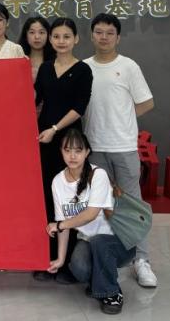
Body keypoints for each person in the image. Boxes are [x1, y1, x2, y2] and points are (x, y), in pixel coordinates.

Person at [84, 13, 156, 289]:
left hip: (123, 147)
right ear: (91, 35)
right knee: (100, 205)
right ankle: (106, 257)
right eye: (99, 32)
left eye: (109, 33)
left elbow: (146, 102)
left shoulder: (128, 66)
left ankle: (141, 260)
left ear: (118, 37)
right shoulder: (84, 67)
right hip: (94, 147)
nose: (103, 37)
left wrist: (123, 117)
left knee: (132, 205)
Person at [46, 127, 134, 315]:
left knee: (99, 241)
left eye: (78, 150)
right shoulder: (57, 182)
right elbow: (63, 224)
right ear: (61, 151)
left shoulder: (98, 175)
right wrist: (60, 259)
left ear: (87, 152)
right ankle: (100, 281)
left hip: (119, 241)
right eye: (67, 150)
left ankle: (112, 293)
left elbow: (91, 214)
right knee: (79, 267)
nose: (72, 156)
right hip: (88, 241)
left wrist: (60, 225)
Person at [33, 17, 92, 282]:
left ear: (76, 39)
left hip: (69, 142)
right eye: (56, 36)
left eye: (66, 36)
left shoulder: (83, 70)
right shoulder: (46, 68)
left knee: (70, 200)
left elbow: (79, 107)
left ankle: (68, 263)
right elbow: (35, 99)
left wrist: (55, 129)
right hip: (44, 141)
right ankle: (48, 258)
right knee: (48, 197)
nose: (61, 41)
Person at [18, 16, 55, 81]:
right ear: (25, 35)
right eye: (32, 32)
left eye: (41, 32)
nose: (37, 37)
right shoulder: (18, 59)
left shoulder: (56, 62)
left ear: (49, 36)